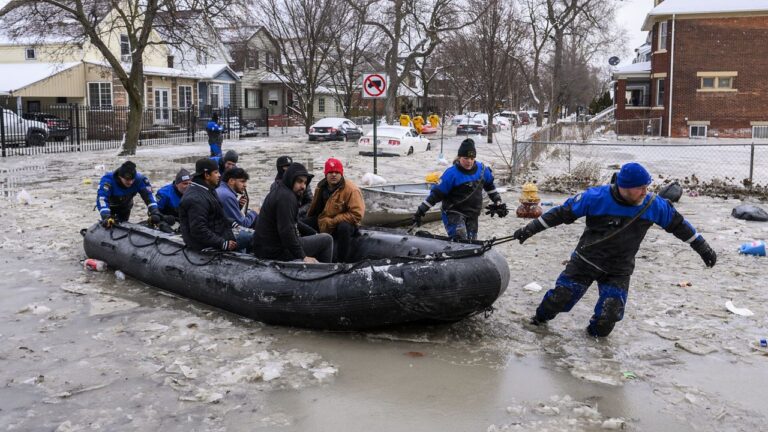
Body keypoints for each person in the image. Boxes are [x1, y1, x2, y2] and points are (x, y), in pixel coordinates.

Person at [513, 162, 717, 337]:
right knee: (560, 299)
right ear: (624, 187)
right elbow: (561, 214)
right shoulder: (595, 197)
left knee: (608, 316)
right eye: (640, 188)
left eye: (647, 187)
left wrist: (702, 247)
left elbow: (678, 225)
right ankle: (537, 322)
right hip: (586, 261)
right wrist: (530, 229)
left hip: (619, 269)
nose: (645, 192)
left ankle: (592, 343)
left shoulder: (653, 205)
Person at [413, 139, 507, 240]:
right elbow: (435, 195)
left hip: (472, 214)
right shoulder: (451, 174)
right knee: (461, 240)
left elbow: (490, 186)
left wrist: (497, 201)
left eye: (472, 158)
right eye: (466, 158)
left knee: (472, 242)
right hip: (453, 213)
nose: (469, 161)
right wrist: (421, 211)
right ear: (459, 157)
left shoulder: (482, 170)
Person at [252, 162, 334, 263]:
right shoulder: (287, 198)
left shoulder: (280, 191)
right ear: (291, 180)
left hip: (265, 247)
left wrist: (313, 233)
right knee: (326, 240)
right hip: (276, 251)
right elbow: (286, 231)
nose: (303, 186)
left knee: (318, 236)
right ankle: (325, 273)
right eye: (299, 182)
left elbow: (294, 222)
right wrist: (303, 256)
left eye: (305, 182)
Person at [306, 158, 365, 262]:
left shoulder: (352, 189)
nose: (333, 175)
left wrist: (333, 221)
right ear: (326, 174)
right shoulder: (320, 187)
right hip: (324, 221)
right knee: (303, 224)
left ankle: (342, 261)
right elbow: (315, 210)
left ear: (341, 174)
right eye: (330, 172)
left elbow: (357, 214)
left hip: (346, 223)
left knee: (344, 227)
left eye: (337, 172)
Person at [178, 158, 238, 252]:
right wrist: (222, 243)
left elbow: (215, 216)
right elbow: (198, 230)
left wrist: (231, 222)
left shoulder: (208, 189)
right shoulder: (196, 198)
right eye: (216, 172)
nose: (219, 175)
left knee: (249, 236)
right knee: (247, 238)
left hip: (218, 235)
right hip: (204, 245)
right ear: (206, 175)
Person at [96, 161, 162, 228]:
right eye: (127, 180)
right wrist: (106, 215)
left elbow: (149, 196)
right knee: (109, 225)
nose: (130, 182)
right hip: (110, 207)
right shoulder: (108, 180)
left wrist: (155, 211)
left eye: (132, 179)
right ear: (120, 177)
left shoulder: (140, 180)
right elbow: (102, 199)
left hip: (125, 206)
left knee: (123, 225)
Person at [216, 167, 258, 252]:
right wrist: (254, 212)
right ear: (231, 181)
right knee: (256, 234)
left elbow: (225, 214)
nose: (245, 185)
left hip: (218, 231)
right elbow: (243, 224)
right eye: (242, 181)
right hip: (223, 235)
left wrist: (238, 206)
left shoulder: (220, 189)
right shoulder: (228, 196)